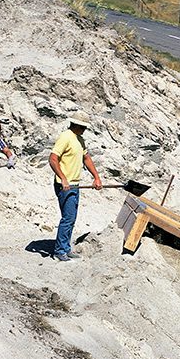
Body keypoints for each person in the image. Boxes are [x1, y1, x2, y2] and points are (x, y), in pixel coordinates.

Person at [48, 111, 102, 262]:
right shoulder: (65, 137)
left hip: (75, 185)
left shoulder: (79, 139)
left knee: (71, 218)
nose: (85, 129)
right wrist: (63, 178)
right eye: (83, 127)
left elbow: (86, 158)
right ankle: (59, 251)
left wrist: (96, 177)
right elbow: (53, 158)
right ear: (77, 125)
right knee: (68, 218)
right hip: (64, 185)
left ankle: (65, 248)